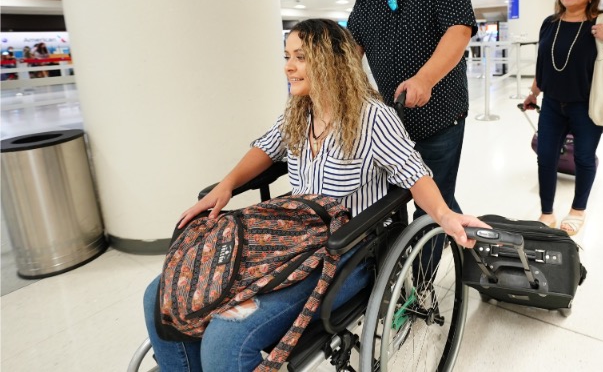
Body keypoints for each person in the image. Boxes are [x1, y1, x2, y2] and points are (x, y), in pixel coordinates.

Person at [142, 19, 486, 372]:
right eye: (287, 56)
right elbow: (266, 148)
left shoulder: (373, 118)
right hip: (290, 238)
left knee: (226, 338)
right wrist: (226, 185)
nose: (288, 67)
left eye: (300, 57)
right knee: (160, 294)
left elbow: (413, 174)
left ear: (331, 62)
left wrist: (445, 215)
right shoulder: (299, 112)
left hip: (348, 251)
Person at [347, 0, 476, 218]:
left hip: (439, 116)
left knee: (432, 207)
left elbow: (458, 31)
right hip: (390, 123)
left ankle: (434, 249)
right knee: (394, 202)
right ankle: (461, 233)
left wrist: (424, 79)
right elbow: (352, 45)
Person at [522, 0, 603, 236]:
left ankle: (578, 210)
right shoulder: (550, 23)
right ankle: (546, 212)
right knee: (546, 157)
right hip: (552, 104)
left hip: (588, 105)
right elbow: (543, 65)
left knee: (583, 157)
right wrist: (534, 93)